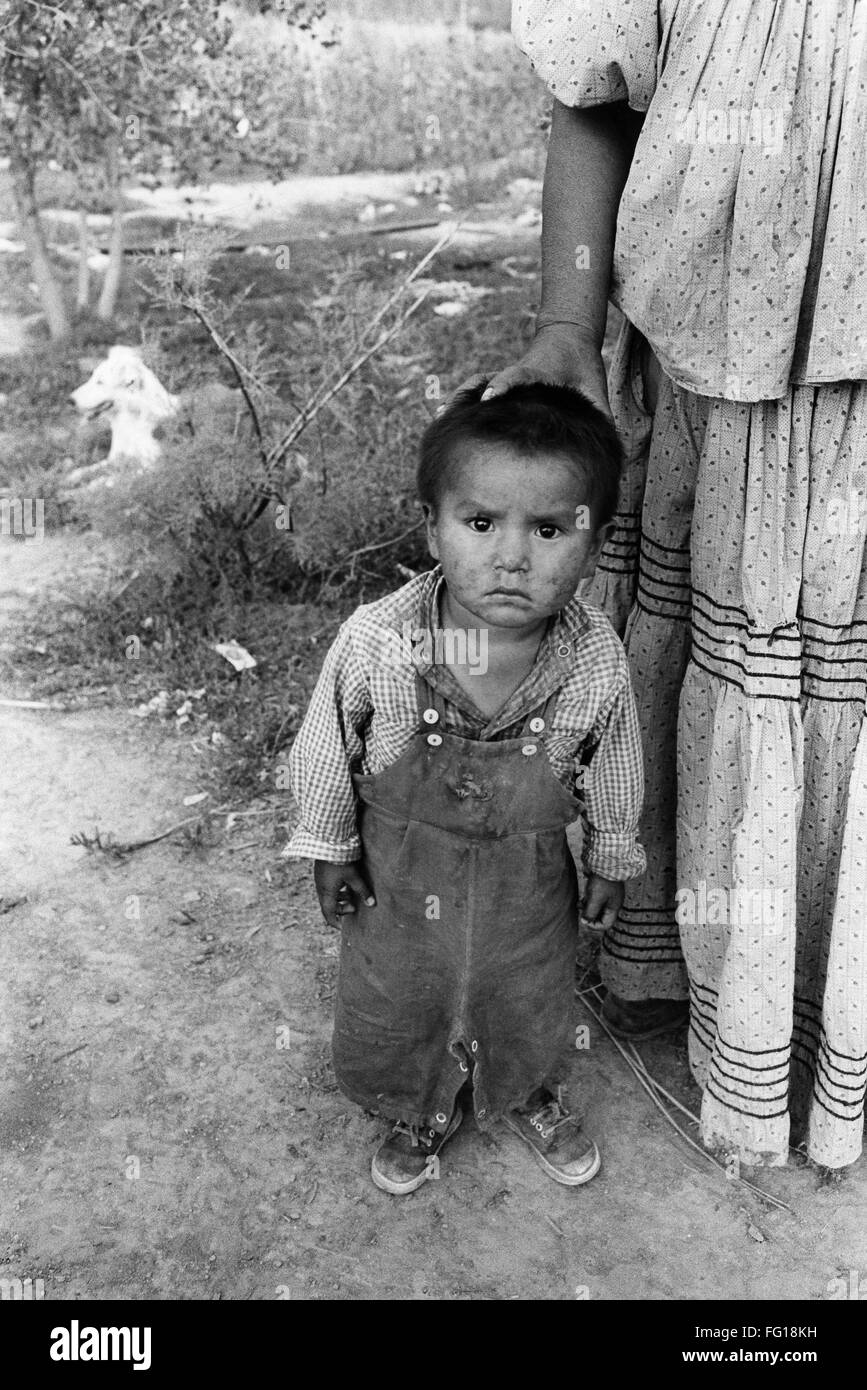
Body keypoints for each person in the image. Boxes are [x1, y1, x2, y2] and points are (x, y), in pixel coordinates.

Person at [491, 1, 867, 1170]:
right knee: (732, 661)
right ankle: (695, 973)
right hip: (724, 378)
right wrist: (568, 318)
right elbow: (596, 93)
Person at [284, 381, 646, 1194]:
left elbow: (616, 759)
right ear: (432, 525)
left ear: (592, 543)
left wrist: (613, 854)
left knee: (524, 984)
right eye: (480, 523)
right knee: (399, 988)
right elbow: (322, 749)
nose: (511, 556)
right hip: (400, 881)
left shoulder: (592, 660)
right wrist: (327, 845)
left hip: (526, 884)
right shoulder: (378, 639)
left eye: (548, 529)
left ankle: (520, 1087)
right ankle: (418, 1105)